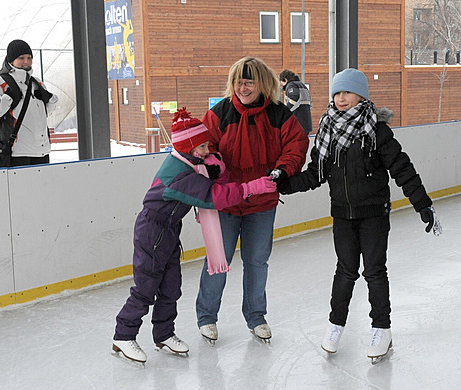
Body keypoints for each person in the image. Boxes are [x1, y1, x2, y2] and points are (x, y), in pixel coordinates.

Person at [278, 68, 441, 361]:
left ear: (361, 95)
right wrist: (282, 185)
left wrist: (423, 204)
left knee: (375, 272)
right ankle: (335, 324)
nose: (341, 98)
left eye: (347, 92)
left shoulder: (376, 130)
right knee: (345, 271)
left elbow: (401, 168)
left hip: (374, 214)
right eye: (337, 93)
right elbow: (315, 174)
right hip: (342, 215)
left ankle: (382, 328)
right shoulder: (327, 129)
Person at [112, 108, 278, 364]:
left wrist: (216, 169)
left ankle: (164, 334)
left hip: (167, 231)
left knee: (170, 288)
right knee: (146, 289)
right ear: (188, 147)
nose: (205, 152)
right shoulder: (179, 174)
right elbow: (213, 196)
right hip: (152, 231)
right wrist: (251, 187)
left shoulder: (189, 163)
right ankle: (123, 335)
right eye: (201, 147)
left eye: (206, 146)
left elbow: (211, 181)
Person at [195, 57, 309, 344]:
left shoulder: (278, 114)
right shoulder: (219, 113)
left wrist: (283, 170)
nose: (242, 87)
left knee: (257, 262)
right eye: (238, 82)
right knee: (217, 261)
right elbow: (202, 148)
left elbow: (296, 145)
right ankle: (207, 317)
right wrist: (211, 168)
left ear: (261, 84)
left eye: (249, 81)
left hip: (262, 202)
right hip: (226, 203)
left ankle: (256, 316)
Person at [0, 39, 58, 167]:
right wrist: (6, 101)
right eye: (21, 58)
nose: (26, 62)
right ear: (11, 60)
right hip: (16, 153)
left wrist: (50, 101)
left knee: (42, 187)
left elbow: (42, 116)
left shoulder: (36, 83)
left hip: (41, 151)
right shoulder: (0, 83)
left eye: (29, 58)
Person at [279, 69, 313, 135]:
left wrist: (285, 112)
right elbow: (310, 103)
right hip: (306, 123)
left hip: (296, 123)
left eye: (282, 83)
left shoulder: (291, 85)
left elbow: (294, 98)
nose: (282, 85)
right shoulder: (303, 86)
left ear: (285, 80)